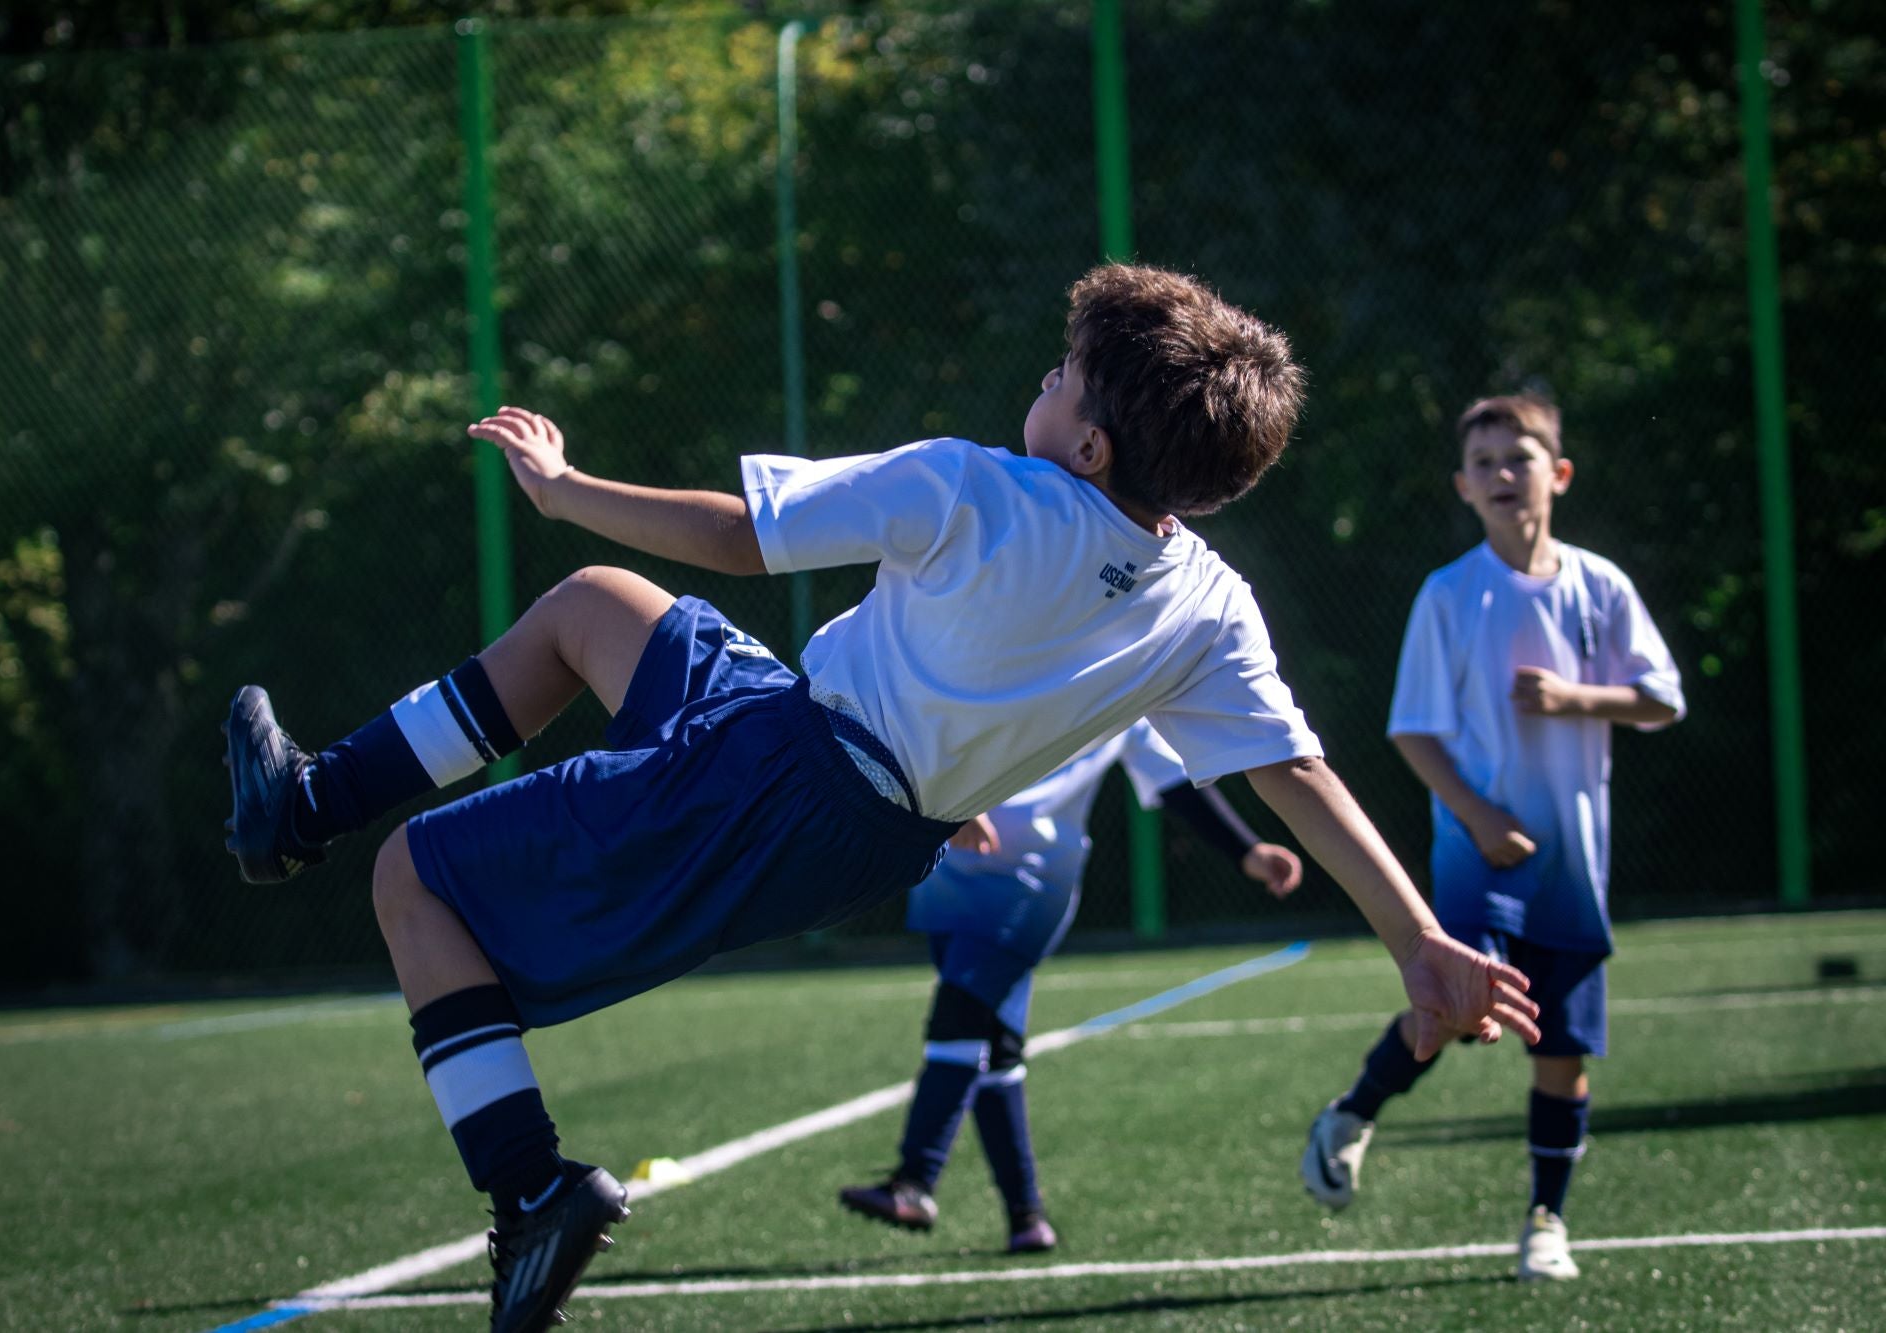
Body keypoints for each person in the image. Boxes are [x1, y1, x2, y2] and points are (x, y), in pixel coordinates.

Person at [224, 264, 1539, 1333]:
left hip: (776, 773)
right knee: (592, 611)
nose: (1043, 377)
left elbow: (741, 536)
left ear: (1089, 442)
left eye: (1063, 371)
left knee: (414, 878)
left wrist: (567, 490)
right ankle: (301, 806)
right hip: (844, 799)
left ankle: (529, 1193)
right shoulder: (1207, 602)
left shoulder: (975, 484)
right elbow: (1295, 775)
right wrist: (1419, 939)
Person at [1298, 393, 1683, 1282]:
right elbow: (1413, 730)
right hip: (1479, 855)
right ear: (1463, 487)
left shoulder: (1601, 587)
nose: (1503, 473)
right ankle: (1353, 1112)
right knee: (1456, 1012)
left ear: (1560, 473)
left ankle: (1546, 1220)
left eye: (1520, 456)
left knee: (1561, 1049)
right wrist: (1477, 817)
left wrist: (1576, 698)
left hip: (1571, 862)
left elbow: (1662, 698)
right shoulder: (1449, 593)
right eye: (1484, 462)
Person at [837, 720, 1303, 1253]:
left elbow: (1174, 783)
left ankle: (916, 1179)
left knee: (958, 1016)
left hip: (1033, 882)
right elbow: (929, 724)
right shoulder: (1002, 665)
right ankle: (1026, 1217)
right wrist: (955, 805)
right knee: (995, 1046)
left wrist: (1246, 852)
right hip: (949, 864)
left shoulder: (1130, 691)